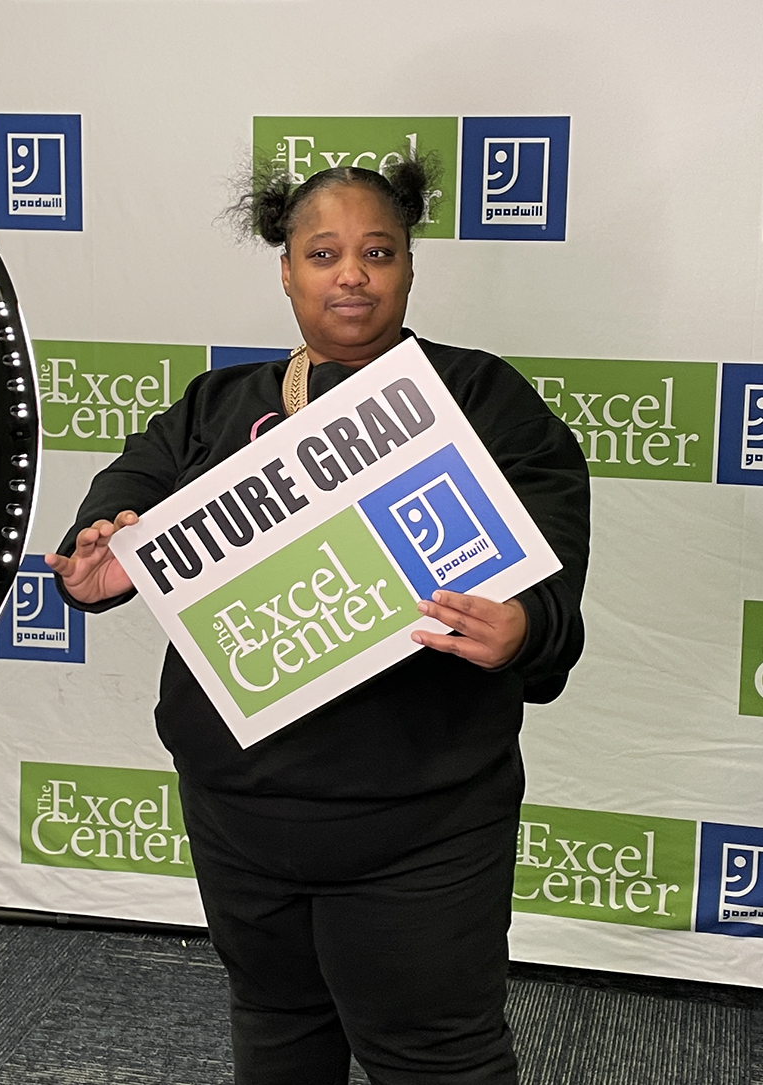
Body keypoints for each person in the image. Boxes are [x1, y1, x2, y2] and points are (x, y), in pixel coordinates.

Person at [44, 160, 589, 1085]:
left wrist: (526, 626)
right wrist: (101, 552)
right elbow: (131, 493)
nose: (352, 274)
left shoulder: (485, 401)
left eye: (378, 253)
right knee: (278, 1031)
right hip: (241, 810)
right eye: (324, 253)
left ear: (409, 268)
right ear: (287, 272)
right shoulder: (218, 405)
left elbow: (551, 577)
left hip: (424, 819)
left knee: (437, 1058)